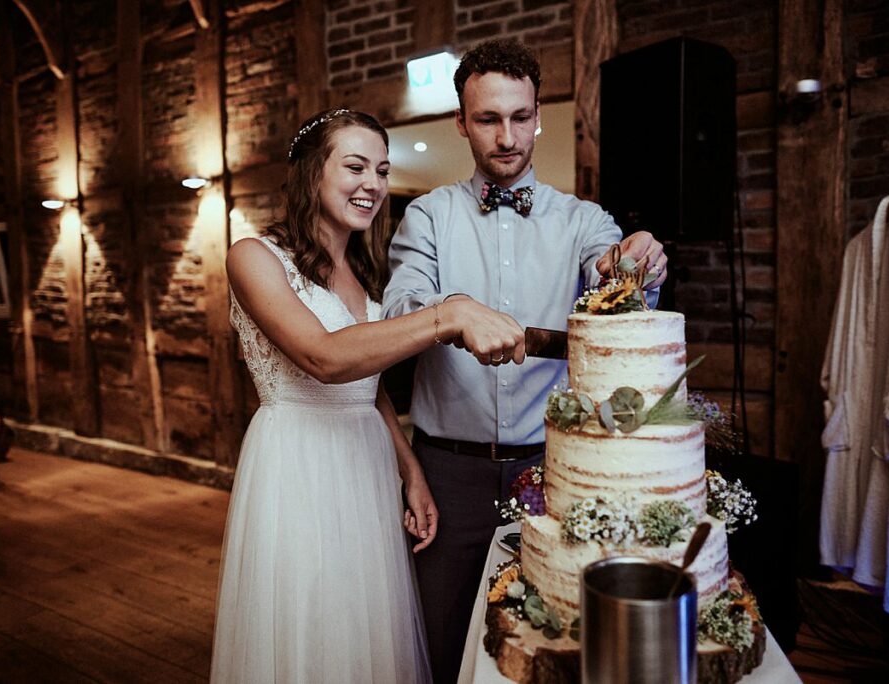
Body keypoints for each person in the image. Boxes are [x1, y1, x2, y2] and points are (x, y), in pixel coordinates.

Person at [382, 39, 668, 683]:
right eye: (488, 119)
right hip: (445, 476)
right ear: (461, 122)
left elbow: (612, 273)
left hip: (552, 471)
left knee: (550, 642)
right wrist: (453, 309)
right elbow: (403, 302)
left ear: (539, 115)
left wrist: (637, 258)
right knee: (442, 639)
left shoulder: (582, 219)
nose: (507, 136)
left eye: (520, 117)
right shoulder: (427, 215)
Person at [209, 108, 526, 684]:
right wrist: (449, 314)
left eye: (382, 170)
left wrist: (410, 469)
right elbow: (325, 358)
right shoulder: (253, 257)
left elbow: (368, 385)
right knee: (312, 617)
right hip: (298, 463)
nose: (374, 184)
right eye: (355, 166)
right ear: (311, 173)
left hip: (365, 461)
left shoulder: (363, 270)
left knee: (366, 621)